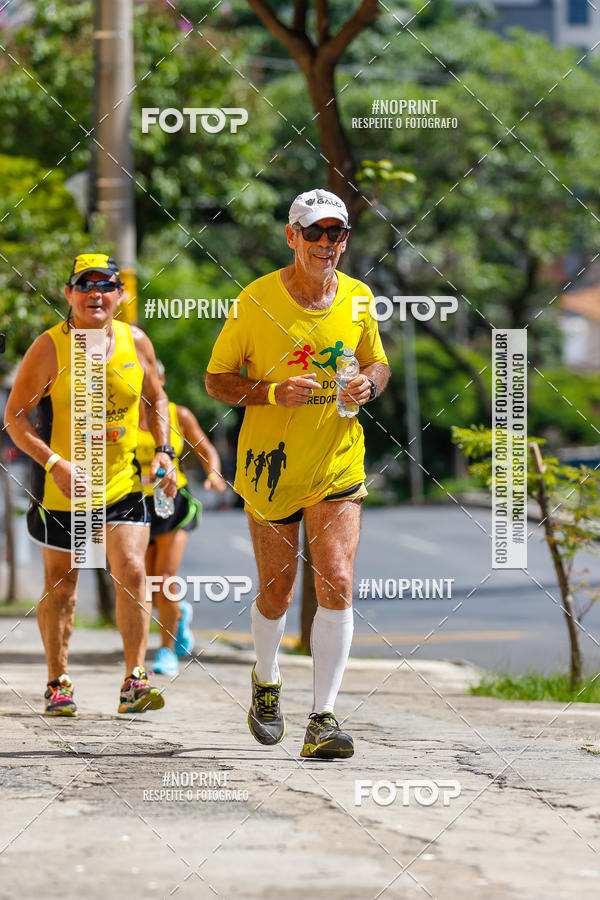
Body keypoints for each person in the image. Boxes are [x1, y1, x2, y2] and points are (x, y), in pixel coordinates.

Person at [205, 188, 390, 759]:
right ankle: (266, 678)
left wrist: (369, 384)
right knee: (277, 590)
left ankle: (324, 718)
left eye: (338, 234)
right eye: (316, 233)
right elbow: (217, 380)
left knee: (336, 579)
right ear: (292, 237)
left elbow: (376, 362)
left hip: (337, 461)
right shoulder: (255, 301)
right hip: (269, 470)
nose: (328, 244)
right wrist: (269, 392)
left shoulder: (359, 299)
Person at [4, 253, 178, 716]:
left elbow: (156, 399)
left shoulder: (136, 341)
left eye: (105, 286)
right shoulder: (48, 347)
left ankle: (135, 680)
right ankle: (57, 681)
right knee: (62, 586)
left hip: (122, 485)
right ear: (69, 294)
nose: (94, 295)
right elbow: (15, 417)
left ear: (121, 295)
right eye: (84, 286)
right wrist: (53, 461)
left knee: (133, 570)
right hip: (62, 489)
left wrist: (165, 451)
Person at [137, 361, 227, 676]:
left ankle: (165, 650)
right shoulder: (119, 416)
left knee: (164, 577)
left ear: (160, 380)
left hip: (173, 506)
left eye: (152, 378)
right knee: (144, 585)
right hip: (136, 507)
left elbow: (205, 449)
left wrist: (214, 475)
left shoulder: (178, 415)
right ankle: (179, 617)